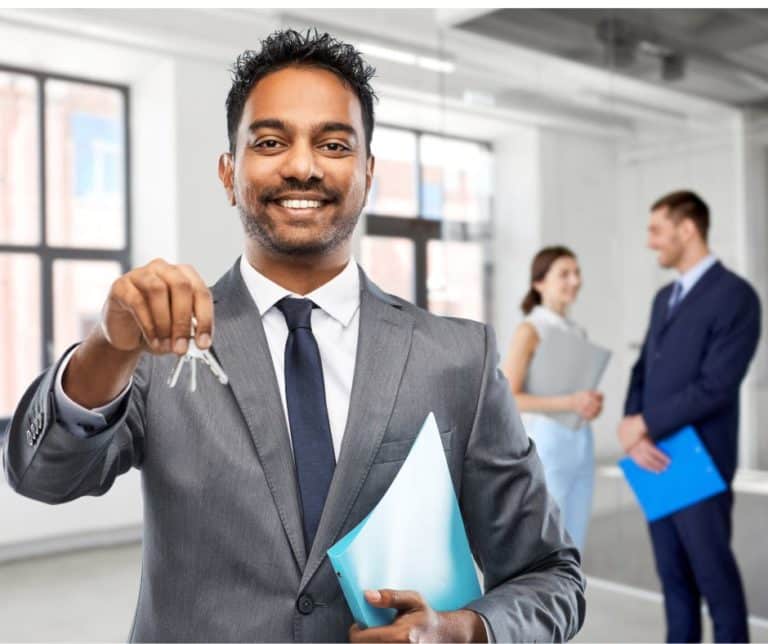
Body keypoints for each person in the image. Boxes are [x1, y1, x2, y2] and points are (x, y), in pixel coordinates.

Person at [3, 30, 585, 643]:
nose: (302, 166)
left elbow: (551, 575)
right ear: (230, 174)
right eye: (271, 141)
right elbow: (42, 476)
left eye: (333, 144)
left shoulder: (457, 358)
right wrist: (109, 345)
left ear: (367, 173)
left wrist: (468, 631)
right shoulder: (155, 345)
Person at [619, 190, 761, 643]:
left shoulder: (736, 296)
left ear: (687, 229)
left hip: (700, 459)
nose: (650, 242)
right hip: (652, 456)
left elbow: (716, 386)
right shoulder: (664, 298)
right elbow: (643, 369)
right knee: (674, 580)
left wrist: (645, 423)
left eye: (656, 230)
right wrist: (631, 427)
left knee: (714, 579)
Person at [502, 246, 603, 551]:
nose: (574, 280)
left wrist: (587, 404)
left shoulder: (577, 331)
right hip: (548, 446)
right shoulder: (530, 330)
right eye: (564, 274)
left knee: (575, 540)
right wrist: (570, 402)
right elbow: (510, 397)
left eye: (577, 272)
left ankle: (571, 599)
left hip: (581, 442)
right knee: (548, 541)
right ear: (539, 283)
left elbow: (574, 393)